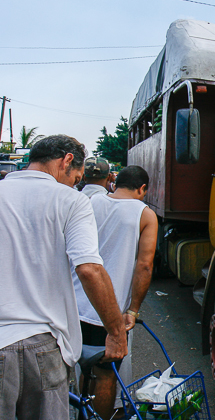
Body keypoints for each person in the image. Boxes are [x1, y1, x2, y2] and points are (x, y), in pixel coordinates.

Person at [0, 135, 127, 418]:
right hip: (41, 345)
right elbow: (89, 269)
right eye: (76, 178)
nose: (75, 184)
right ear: (66, 160)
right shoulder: (71, 200)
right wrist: (117, 332)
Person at [72, 165, 158, 419]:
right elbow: (144, 265)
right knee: (106, 374)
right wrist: (133, 309)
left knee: (83, 369)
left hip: (75, 305)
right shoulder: (145, 214)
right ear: (142, 189)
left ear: (114, 182)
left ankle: (82, 414)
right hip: (107, 310)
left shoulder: (92, 201)